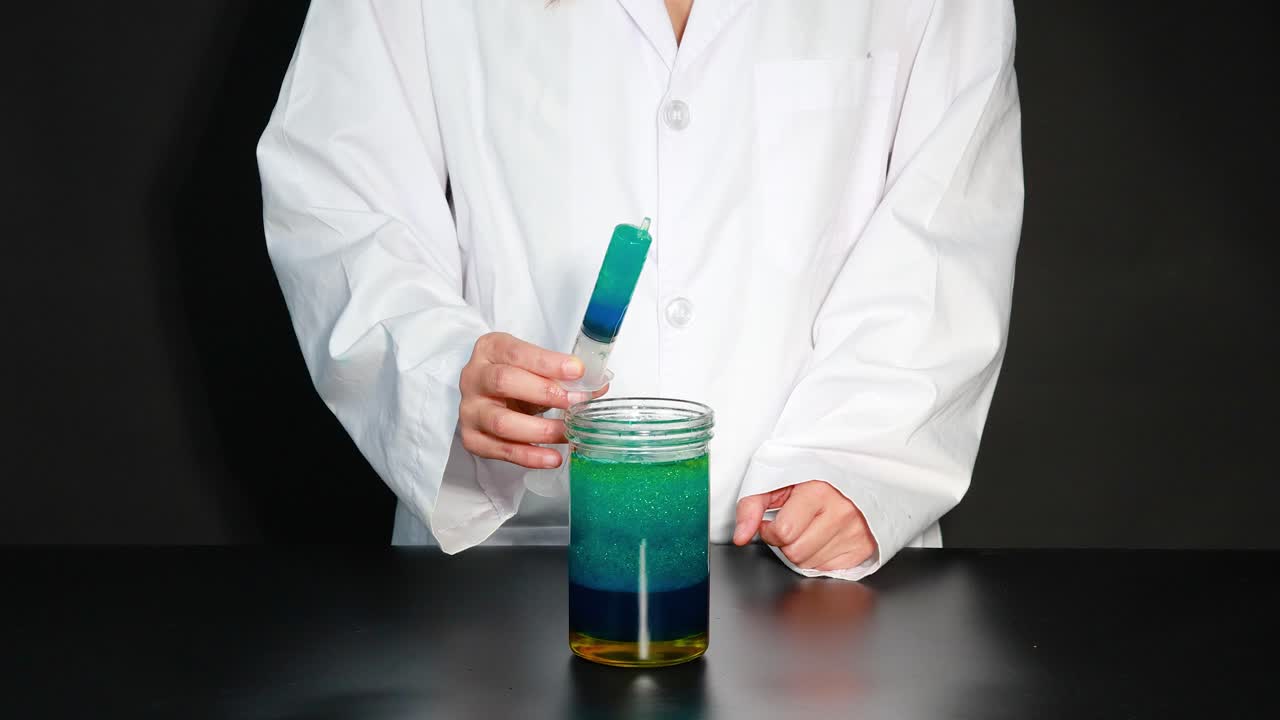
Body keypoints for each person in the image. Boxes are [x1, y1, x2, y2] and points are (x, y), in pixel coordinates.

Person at [256, 0, 1023, 580]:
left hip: (809, 566)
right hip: (512, 566)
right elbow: (337, 198)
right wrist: (443, 373)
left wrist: (864, 463)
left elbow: (948, 227)